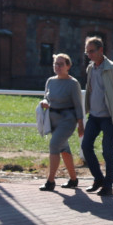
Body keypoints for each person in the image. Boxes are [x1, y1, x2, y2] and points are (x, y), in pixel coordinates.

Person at [81, 37, 113, 197]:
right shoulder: (90, 68)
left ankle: (108, 186)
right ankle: (98, 179)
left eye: (91, 51)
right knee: (86, 146)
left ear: (101, 50)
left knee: (107, 151)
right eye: (87, 52)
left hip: (109, 117)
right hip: (94, 116)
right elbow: (90, 89)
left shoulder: (112, 69)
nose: (89, 55)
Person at [39, 53, 84, 191]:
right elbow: (47, 96)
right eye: (55, 64)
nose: (57, 67)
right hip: (53, 120)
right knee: (64, 149)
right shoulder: (50, 81)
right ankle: (73, 179)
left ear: (68, 66)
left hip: (67, 120)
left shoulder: (73, 83)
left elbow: (78, 105)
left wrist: (80, 124)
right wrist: (44, 102)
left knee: (54, 145)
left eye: (61, 64)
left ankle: (50, 181)